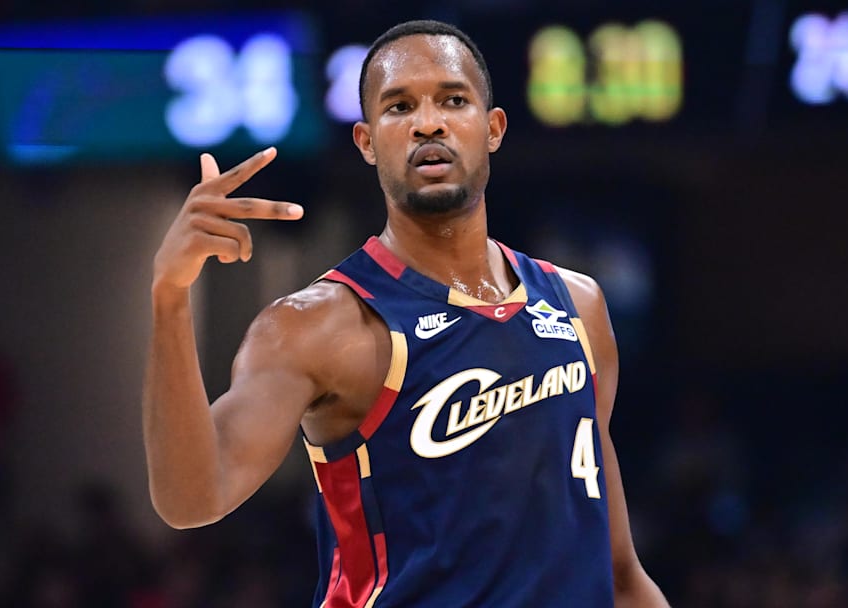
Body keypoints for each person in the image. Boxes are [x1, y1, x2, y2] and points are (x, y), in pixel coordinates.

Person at [143, 19, 668, 607]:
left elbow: (618, 574)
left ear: (492, 128)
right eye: (399, 107)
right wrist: (170, 298)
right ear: (367, 142)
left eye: (453, 99)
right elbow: (192, 498)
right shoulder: (318, 325)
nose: (428, 122)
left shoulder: (579, 307)